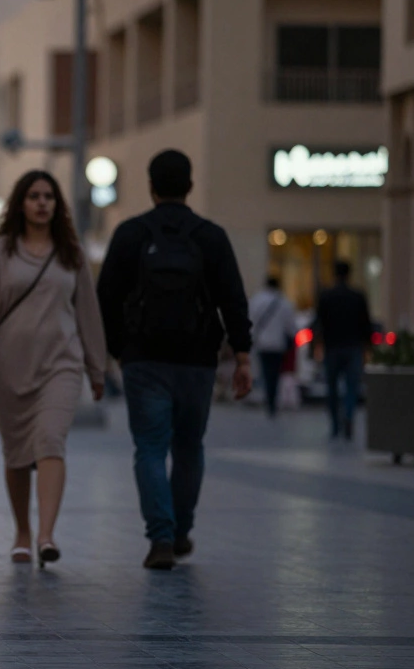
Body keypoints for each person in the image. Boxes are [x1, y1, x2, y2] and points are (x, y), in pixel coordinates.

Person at [96, 149, 252, 571]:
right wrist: (242, 356)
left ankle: (160, 537)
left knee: (149, 447)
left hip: (143, 360)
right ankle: (181, 530)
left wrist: (118, 350)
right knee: (188, 447)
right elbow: (232, 299)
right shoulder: (210, 236)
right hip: (197, 360)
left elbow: (105, 298)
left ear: (150, 186)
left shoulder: (131, 234)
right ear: (190, 185)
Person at [0, 171, 106, 568]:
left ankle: (46, 535)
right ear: (21, 203)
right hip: (10, 367)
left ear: (57, 205)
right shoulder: (1, 249)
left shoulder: (70, 252)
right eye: (34, 196)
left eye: (49, 197)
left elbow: (88, 314)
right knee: (16, 454)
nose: (42, 202)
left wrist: (97, 368)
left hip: (62, 364)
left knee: (49, 442)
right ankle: (23, 533)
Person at [314, 261, 372, 440]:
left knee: (332, 387)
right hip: (353, 346)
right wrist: (367, 347)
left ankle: (335, 423)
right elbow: (366, 324)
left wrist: (317, 345)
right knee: (351, 386)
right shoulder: (357, 296)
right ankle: (348, 415)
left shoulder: (326, 296)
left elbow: (319, 323)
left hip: (332, 347)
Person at [249, 276, 298, 417]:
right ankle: (272, 401)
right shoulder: (284, 303)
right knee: (275, 374)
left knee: (265, 372)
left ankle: (268, 398)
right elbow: (291, 327)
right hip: (277, 344)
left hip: (262, 343)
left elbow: (251, 321)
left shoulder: (257, 300)